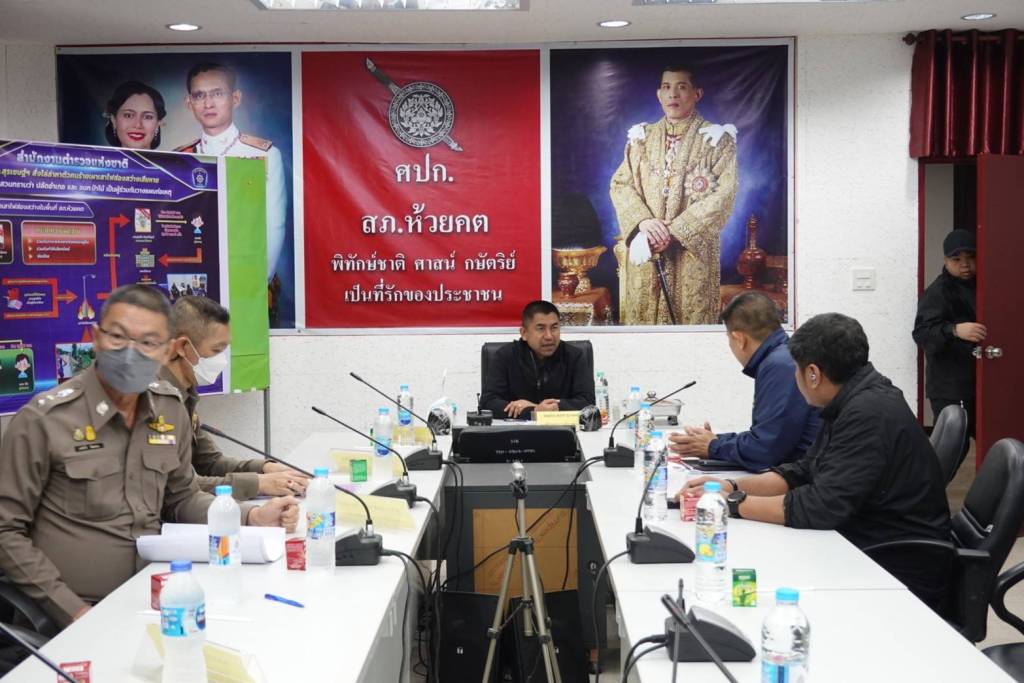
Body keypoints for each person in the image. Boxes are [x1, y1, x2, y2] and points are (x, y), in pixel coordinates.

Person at [0, 285, 298, 629]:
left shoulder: (170, 410)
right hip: (76, 612)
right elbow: (6, 531)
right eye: (118, 337)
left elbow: (182, 498)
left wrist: (252, 516)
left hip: (159, 595)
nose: (131, 353)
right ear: (96, 339)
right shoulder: (44, 420)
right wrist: (73, 612)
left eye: (148, 342)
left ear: (167, 350)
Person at [679, 313, 952, 611]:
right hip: (865, 545)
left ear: (812, 374)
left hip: (896, 568)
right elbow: (803, 471)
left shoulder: (868, 412)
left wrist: (732, 504)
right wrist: (729, 486)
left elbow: (821, 506)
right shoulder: (852, 399)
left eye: (796, 370)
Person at [610, 65, 738, 325]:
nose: (673, 94)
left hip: (691, 256)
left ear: (697, 93)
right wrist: (644, 222)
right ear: (659, 94)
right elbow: (620, 184)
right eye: (667, 87)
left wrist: (674, 231)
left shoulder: (716, 140)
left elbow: (723, 195)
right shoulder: (641, 138)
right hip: (647, 247)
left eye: (681, 87)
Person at [162, 296, 309, 500]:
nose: (221, 360)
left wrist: (266, 468)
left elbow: (210, 462)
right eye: (216, 350)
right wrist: (258, 484)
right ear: (183, 347)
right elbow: (173, 486)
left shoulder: (186, 395)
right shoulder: (155, 401)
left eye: (224, 350)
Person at [668, 292, 821, 470]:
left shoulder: (780, 365)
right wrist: (716, 440)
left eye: (729, 340)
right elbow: (767, 435)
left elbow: (765, 450)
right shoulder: (782, 356)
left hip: (808, 477)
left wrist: (713, 446)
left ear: (739, 339)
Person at [176, 62, 286, 281]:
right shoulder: (180, 158)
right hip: (195, 275)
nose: (208, 103)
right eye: (199, 95)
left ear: (235, 98)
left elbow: (274, 225)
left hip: (247, 275)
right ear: (189, 103)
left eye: (217, 93)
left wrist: (257, 280)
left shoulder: (264, 154)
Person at [913, 228, 983, 443]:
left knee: (989, 438)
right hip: (950, 386)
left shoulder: (986, 286)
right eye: (956, 259)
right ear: (945, 261)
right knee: (953, 445)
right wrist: (955, 330)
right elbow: (922, 333)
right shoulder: (938, 291)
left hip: (981, 379)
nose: (965, 264)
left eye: (970, 257)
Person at [479, 300, 596, 419]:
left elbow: (588, 403)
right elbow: (487, 403)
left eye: (554, 328)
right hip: (517, 429)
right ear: (524, 333)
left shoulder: (574, 356)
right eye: (541, 328)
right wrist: (533, 411)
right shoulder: (505, 356)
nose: (549, 336)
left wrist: (544, 408)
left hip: (563, 428)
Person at [103, 80, 166, 150]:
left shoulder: (174, 157)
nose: (138, 125)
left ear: (158, 122)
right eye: (128, 115)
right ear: (114, 119)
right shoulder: (96, 157)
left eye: (147, 117)